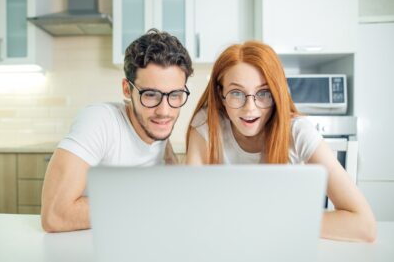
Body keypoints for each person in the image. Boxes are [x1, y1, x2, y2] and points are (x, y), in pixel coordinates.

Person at [185, 41, 377, 242]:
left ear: (276, 94)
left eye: (264, 93)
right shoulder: (206, 124)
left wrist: (270, 220)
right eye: (236, 93)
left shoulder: (297, 131)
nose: (250, 108)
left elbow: (364, 225)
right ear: (220, 95)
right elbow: (190, 211)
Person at [41, 29, 193, 232]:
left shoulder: (157, 124)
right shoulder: (100, 120)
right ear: (126, 89)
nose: (164, 111)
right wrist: (148, 201)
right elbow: (54, 215)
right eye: (150, 94)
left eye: (175, 95)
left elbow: (170, 179)